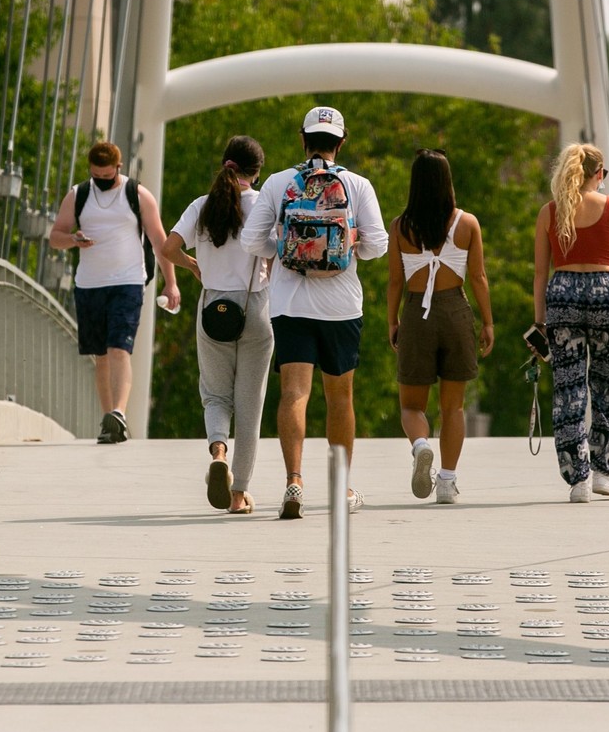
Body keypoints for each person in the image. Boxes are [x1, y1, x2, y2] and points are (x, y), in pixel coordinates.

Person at [241, 105, 388, 519]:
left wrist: (288, 252)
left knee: (294, 394)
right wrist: (346, 245)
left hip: (289, 305)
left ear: (303, 140)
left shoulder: (278, 182)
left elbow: (251, 241)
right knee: (340, 398)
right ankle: (340, 488)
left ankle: (294, 481)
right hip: (341, 306)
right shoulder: (357, 185)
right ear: (341, 143)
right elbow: (378, 246)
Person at [160, 136, 274, 514]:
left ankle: (218, 452)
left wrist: (193, 265)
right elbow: (276, 254)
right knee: (249, 404)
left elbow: (167, 248)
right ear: (256, 173)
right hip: (255, 307)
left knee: (215, 396)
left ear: (226, 164)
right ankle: (239, 494)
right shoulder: (264, 207)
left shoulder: (201, 206)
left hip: (213, 307)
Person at [49, 140, 180, 445]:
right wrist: (73, 239)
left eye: (107, 177)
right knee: (101, 356)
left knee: (119, 347)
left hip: (128, 282)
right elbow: (55, 237)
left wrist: (170, 282)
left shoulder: (136, 194)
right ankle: (109, 421)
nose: (102, 182)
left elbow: (160, 242)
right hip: (89, 284)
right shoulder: (78, 194)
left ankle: (118, 413)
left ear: (119, 169)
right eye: (97, 177)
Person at [386, 149, 493, 505]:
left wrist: (393, 320)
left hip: (418, 315)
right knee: (454, 407)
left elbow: (395, 283)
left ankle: (420, 446)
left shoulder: (400, 226)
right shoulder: (467, 224)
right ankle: (447, 482)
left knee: (411, 406)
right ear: (447, 182)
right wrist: (487, 321)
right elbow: (477, 277)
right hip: (456, 311)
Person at [532, 143, 609, 502]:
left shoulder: (550, 212)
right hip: (606, 294)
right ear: (598, 174)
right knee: (604, 385)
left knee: (569, 388)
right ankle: (602, 468)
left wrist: (540, 321)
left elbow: (541, 272)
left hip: (563, 295)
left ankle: (579, 479)